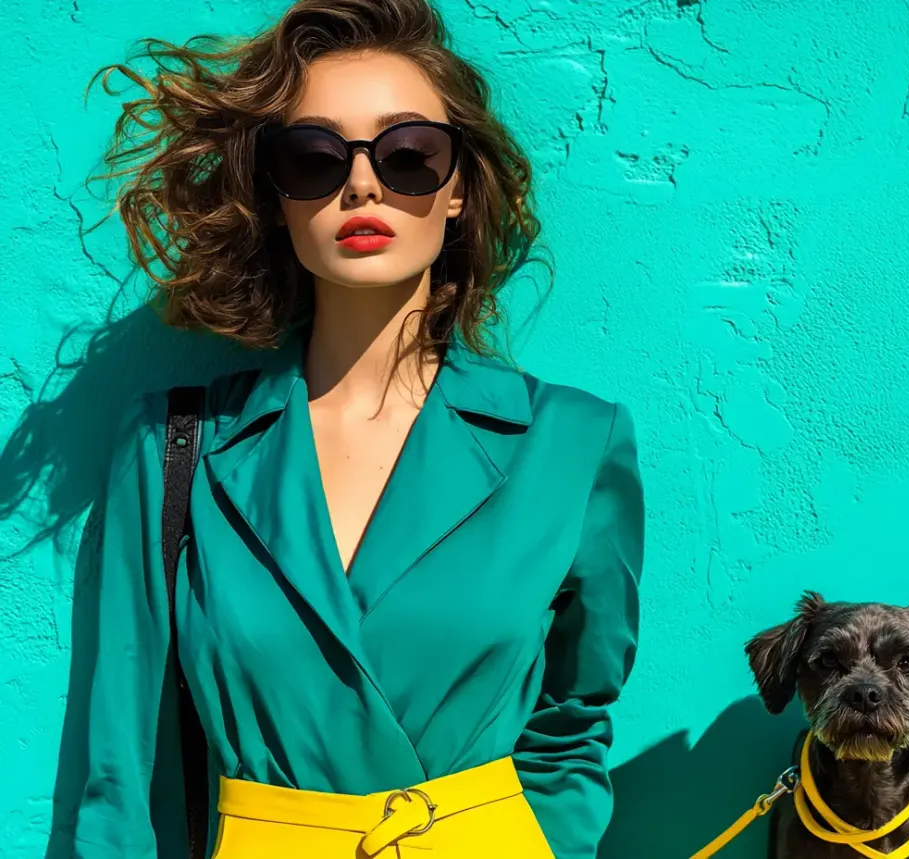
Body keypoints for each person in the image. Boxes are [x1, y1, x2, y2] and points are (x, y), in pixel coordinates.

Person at [67, 1, 644, 857]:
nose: (362, 184)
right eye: (315, 157)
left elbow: (572, 723)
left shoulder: (571, 442)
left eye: (410, 153)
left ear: (456, 191)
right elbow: (115, 775)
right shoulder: (173, 449)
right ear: (276, 196)